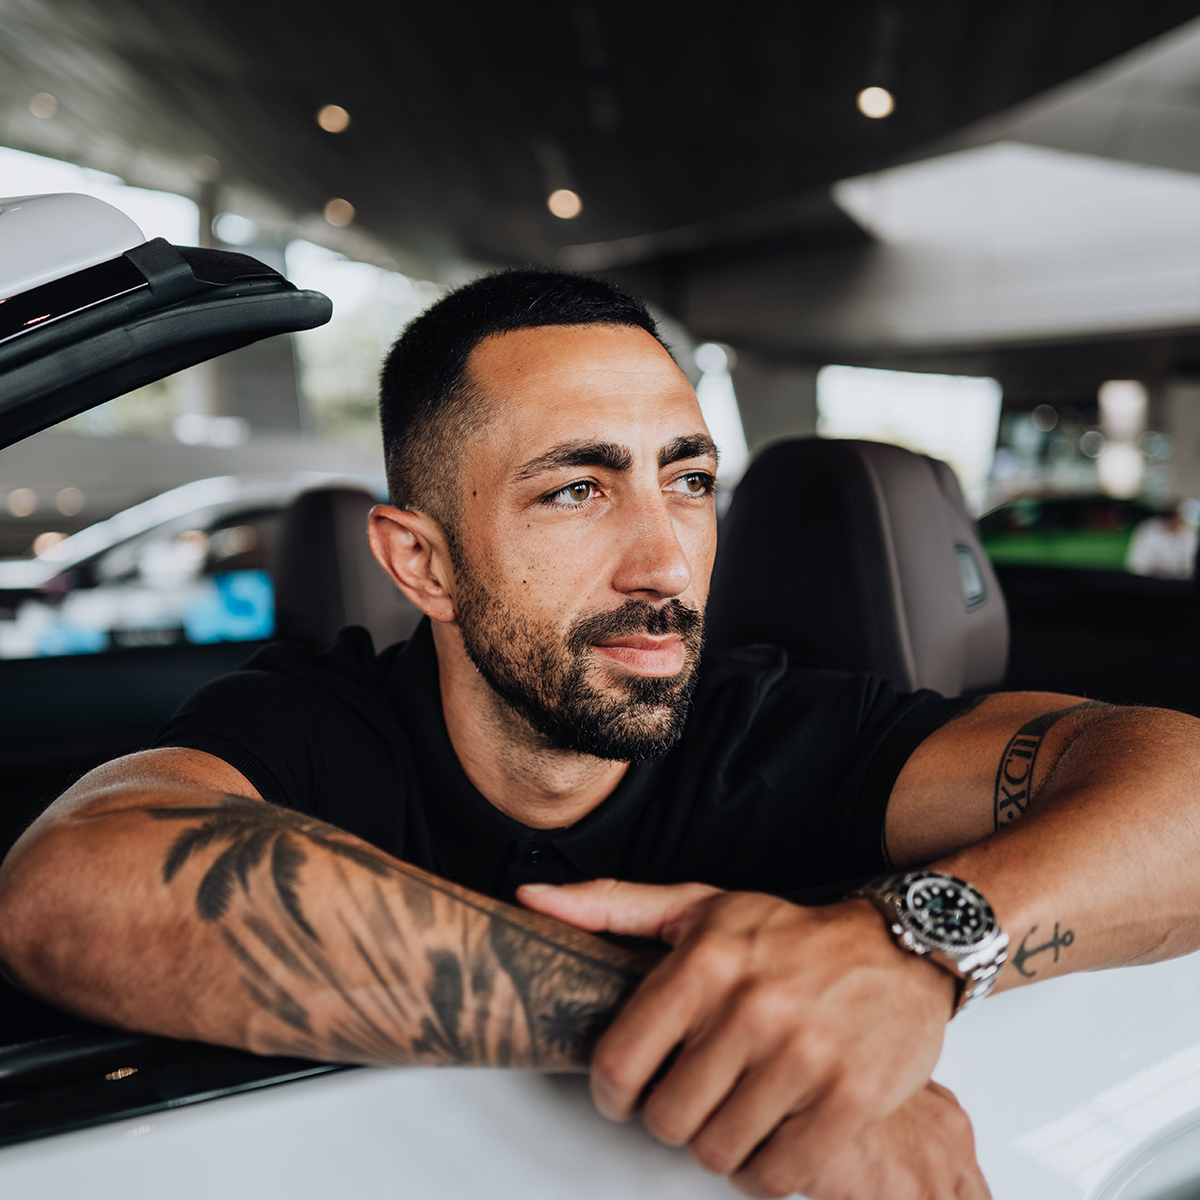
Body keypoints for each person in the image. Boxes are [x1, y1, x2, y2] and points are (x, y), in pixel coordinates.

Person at [3, 270, 1200, 1200]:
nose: (667, 561)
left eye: (687, 481)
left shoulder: (783, 727)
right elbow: (70, 890)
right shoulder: (324, 726)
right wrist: (749, 1033)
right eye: (577, 489)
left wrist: (905, 954)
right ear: (421, 562)